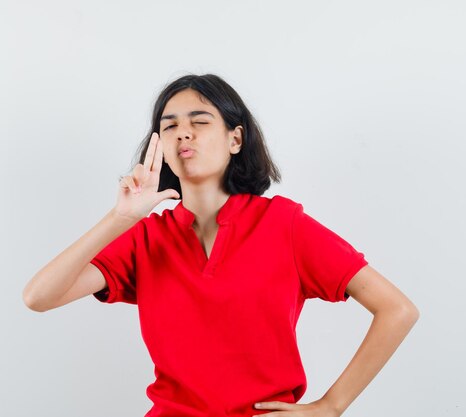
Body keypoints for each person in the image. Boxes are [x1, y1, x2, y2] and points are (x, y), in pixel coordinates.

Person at [22, 73, 419, 417]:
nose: (184, 133)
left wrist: (332, 405)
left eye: (200, 121)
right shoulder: (145, 238)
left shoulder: (284, 225)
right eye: (170, 125)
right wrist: (121, 219)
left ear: (236, 138)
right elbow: (39, 297)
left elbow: (397, 309)